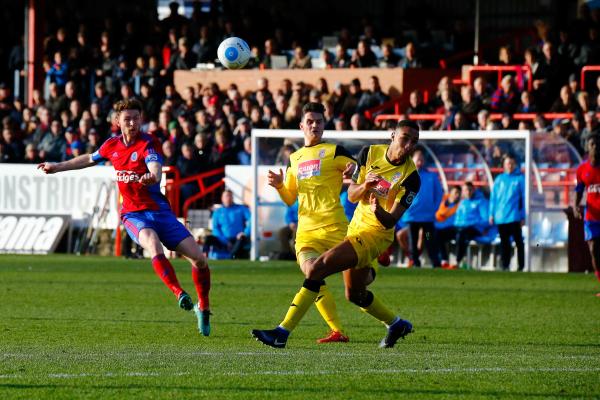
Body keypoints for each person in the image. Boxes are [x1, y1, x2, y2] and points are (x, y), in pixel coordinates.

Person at [37, 99, 212, 336]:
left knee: (199, 259)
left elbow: (155, 166)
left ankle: (203, 306)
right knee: (152, 244)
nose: (132, 123)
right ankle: (180, 293)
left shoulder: (149, 142)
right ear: (117, 121)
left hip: (160, 211)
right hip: (133, 213)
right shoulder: (112, 146)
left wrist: (152, 176)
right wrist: (57, 166)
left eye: (136, 118)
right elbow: (89, 159)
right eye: (127, 119)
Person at [252, 119, 421, 349]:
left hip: (376, 236)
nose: (409, 145)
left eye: (414, 142)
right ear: (393, 135)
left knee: (316, 268)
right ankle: (396, 324)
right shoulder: (369, 153)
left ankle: (282, 332)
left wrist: (378, 210)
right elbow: (352, 194)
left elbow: (392, 219)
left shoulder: (411, 178)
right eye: (405, 138)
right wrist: (365, 186)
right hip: (354, 229)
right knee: (354, 294)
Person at [258, 102, 357, 344]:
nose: (315, 125)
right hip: (306, 233)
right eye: (310, 121)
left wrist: (354, 170)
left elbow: (358, 170)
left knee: (358, 289)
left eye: (319, 121)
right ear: (301, 126)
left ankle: (393, 322)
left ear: (324, 125)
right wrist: (280, 185)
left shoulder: (335, 151)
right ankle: (336, 331)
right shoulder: (294, 159)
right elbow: (290, 198)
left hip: (335, 228)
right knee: (312, 275)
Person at [401, 147, 443, 268]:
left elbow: (439, 193)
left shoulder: (432, 176)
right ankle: (415, 262)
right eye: (418, 159)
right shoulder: (407, 175)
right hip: (412, 217)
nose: (420, 162)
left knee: (429, 238)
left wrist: (434, 208)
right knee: (413, 241)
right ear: (412, 160)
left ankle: (435, 262)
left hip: (427, 217)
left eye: (422, 159)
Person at [573, 133, 600, 296]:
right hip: (592, 218)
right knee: (594, 250)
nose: (595, 147)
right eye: (592, 144)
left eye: (598, 144)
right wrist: (575, 205)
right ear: (587, 147)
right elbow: (578, 190)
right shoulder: (582, 169)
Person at [489, 155, 525, 271]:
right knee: (504, 243)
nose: (509, 166)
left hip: (514, 216)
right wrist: (491, 214)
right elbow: (493, 198)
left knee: (519, 242)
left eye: (511, 163)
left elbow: (524, 198)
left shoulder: (520, 179)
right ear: (503, 165)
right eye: (507, 163)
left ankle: (521, 266)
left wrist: (523, 215)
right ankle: (505, 265)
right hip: (501, 216)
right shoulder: (499, 179)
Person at [202, 189, 251, 259]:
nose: (228, 198)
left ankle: (231, 256)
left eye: (230, 196)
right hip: (222, 240)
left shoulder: (241, 209)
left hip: (237, 239)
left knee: (242, 238)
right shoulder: (218, 212)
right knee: (208, 238)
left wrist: (245, 233)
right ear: (222, 198)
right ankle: (202, 257)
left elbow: (251, 220)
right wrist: (225, 241)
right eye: (226, 196)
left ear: (232, 198)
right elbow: (215, 228)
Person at [453, 182, 489, 270]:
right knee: (436, 234)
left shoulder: (481, 202)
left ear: (473, 190)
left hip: (475, 228)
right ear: (463, 192)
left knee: (462, 234)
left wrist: (471, 223)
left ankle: (458, 261)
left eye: (470, 190)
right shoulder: (462, 203)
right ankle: (442, 261)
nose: (468, 192)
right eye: (466, 190)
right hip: (461, 228)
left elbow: (485, 220)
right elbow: (457, 219)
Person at [435, 185, 462, 269]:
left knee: (434, 236)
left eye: (459, 193)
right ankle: (414, 257)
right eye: (455, 193)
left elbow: (443, 215)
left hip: (452, 230)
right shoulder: (442, 202)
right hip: (434, 228)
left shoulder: (460, 205)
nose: (457, 195)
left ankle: (443, 260)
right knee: (425, 234)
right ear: (450, 193)